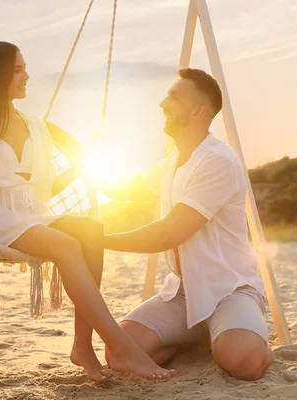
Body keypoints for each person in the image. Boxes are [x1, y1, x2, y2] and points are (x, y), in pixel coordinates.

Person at [0, 41, 174, 383]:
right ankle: (120, 346)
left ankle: (83, 347)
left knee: (90, 230)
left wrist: (84, 175)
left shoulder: (35, 125)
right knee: (66, 245)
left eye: (24, 67)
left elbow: (71, 161)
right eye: (18, 69)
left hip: (32, 214)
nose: (26, 75)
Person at [102, 68, 273, 381]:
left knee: (243, 361)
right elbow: (127, 188)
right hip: (183, 292)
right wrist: (82, 167)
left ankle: (235, 333)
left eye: (172, 97)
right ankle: (197, 336)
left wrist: (99, 239)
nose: (162, 103)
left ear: (198, 110)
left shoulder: (217, 160)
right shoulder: (173, 161)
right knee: (119, 352)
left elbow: (170, 232)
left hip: (229, 288)